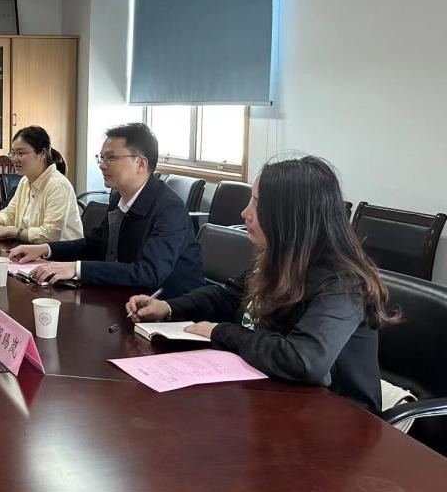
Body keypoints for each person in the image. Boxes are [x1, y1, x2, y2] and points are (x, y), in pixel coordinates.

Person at [125, 156, 397, 413]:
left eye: (257, 204)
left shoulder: (341, 283)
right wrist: (168, 307)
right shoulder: (281, 257)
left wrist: (222, 332)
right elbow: (229, 297)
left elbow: (304, 361)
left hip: (340, 418)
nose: (245, 213)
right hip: (279, 395)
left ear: (291, 216)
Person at [10, 122, 203, 297]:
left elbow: (148, 273)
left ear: (141, 163)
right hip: (126, 297)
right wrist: (45, 249)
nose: (102, 165)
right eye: (101, 157)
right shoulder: (118, 196)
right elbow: (96, 245)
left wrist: (77, 269)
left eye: (110, 158)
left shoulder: (169, 209)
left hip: (170, 310)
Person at [0, 126, 82, 243]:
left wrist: (10, 231)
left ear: (42, 153)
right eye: (12, 153)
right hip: (31, 248)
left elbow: (49, 235)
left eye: (21, 153)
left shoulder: (58, 185)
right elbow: (11, 213)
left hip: (60, 253)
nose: (15, 159)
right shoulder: (25, 181)